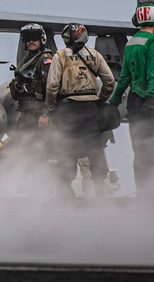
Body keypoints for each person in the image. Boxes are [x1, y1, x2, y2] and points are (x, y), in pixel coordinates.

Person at [108, 2, 154, 202]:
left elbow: (124, 77)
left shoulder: (131, 44)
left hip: (134, 104)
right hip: (153, 104)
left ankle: (144, 193)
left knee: (140, 149)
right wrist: (151, 99)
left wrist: (113, 101)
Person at [42, 24, 116, 198]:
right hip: (91, 108)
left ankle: (66, 190)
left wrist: (51, 107)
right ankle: (99, 189)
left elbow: (52, 85)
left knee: (67, 149)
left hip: (68, 108)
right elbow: (109, 81)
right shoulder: (95, 55)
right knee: (95, 149)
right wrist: (100, 99)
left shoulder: (60, 56)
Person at [0, 23, 53, 196]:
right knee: (21, 150)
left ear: (41, 39)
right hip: (27, 113)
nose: (31, 42)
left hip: (38, 115)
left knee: (38, 153)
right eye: (27, 39)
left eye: (34, 38)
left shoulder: (45, 60)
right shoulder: (29, 60)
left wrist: (45, 113)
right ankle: (9, 189)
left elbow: (51, 88)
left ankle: (40, 192)